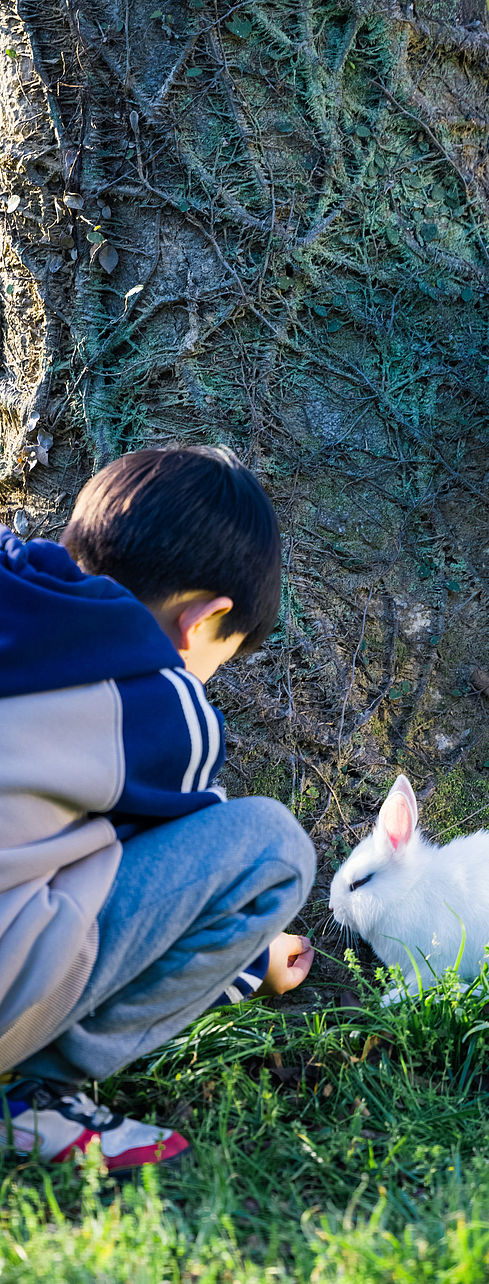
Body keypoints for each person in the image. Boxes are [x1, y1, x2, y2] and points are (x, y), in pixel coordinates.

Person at [0, 447, 316, 1169]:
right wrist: (251, 962)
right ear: (205, 620)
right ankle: (38, 1092)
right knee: (274, 849)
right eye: (223, 655)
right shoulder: (161, 705)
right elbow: (186, 887)